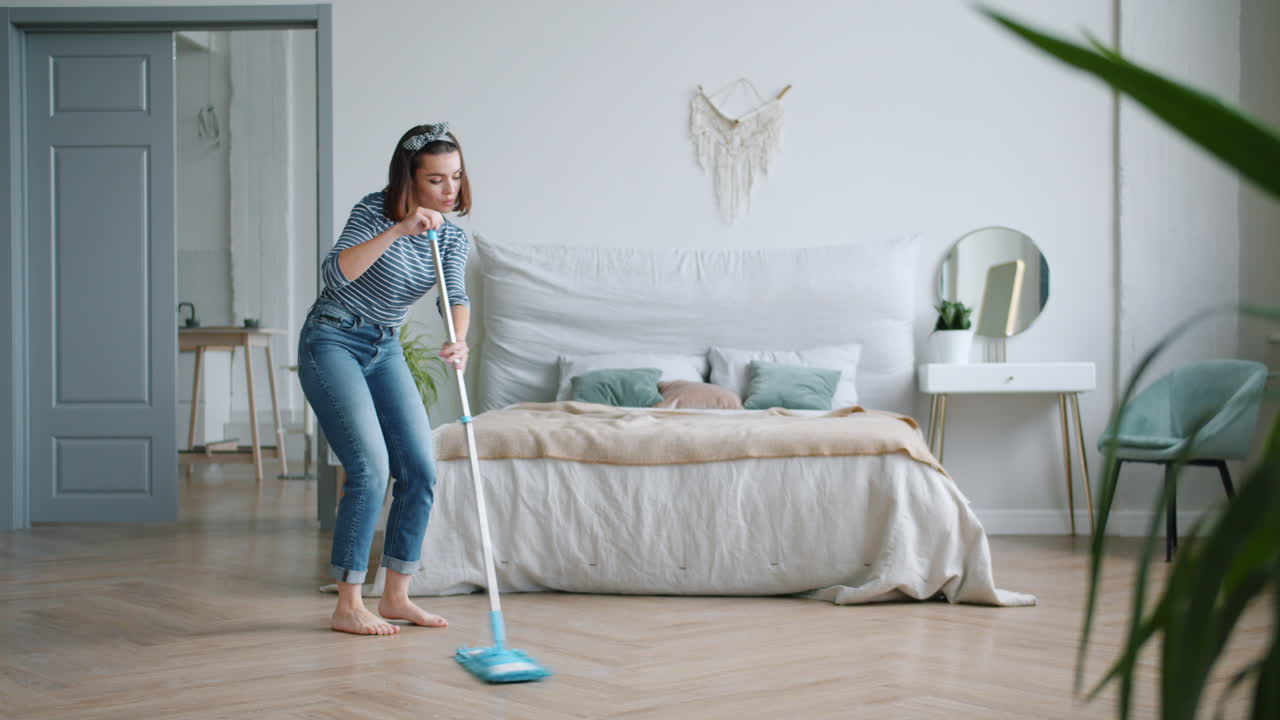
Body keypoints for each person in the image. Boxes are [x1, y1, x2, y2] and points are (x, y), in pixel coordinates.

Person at [298, 122, 472, 635]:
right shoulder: (373, 211)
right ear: (410, 179)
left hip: (384, 346)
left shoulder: (453, 238)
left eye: (456, 178)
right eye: (436, 180)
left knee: (420, 468)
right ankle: (348, 604)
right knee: (371, 468)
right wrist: (398, 229)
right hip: (332, 339)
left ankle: (396, 595)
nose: (449, 190)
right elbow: (335, 274)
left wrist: (458, 338)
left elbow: (455, 298)